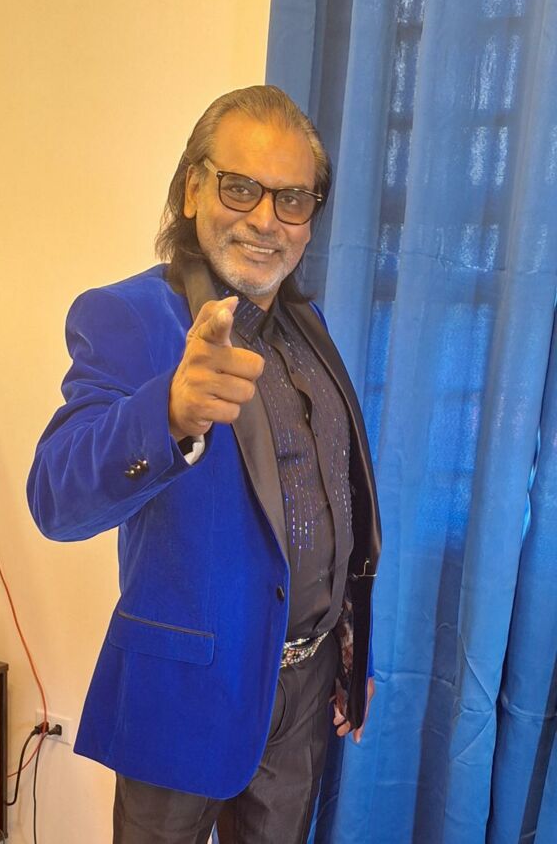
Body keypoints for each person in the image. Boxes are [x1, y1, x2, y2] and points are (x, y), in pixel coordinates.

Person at [27, 85, 381, 844]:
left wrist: (349, 638)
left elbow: (328, 498)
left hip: (305, 693)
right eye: (240, 187)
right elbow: (54, 499)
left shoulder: (309, 325)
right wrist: (166, 413)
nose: (266, 219)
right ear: (192, 189)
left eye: (292, 199)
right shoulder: (125, 316)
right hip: (182, 698)